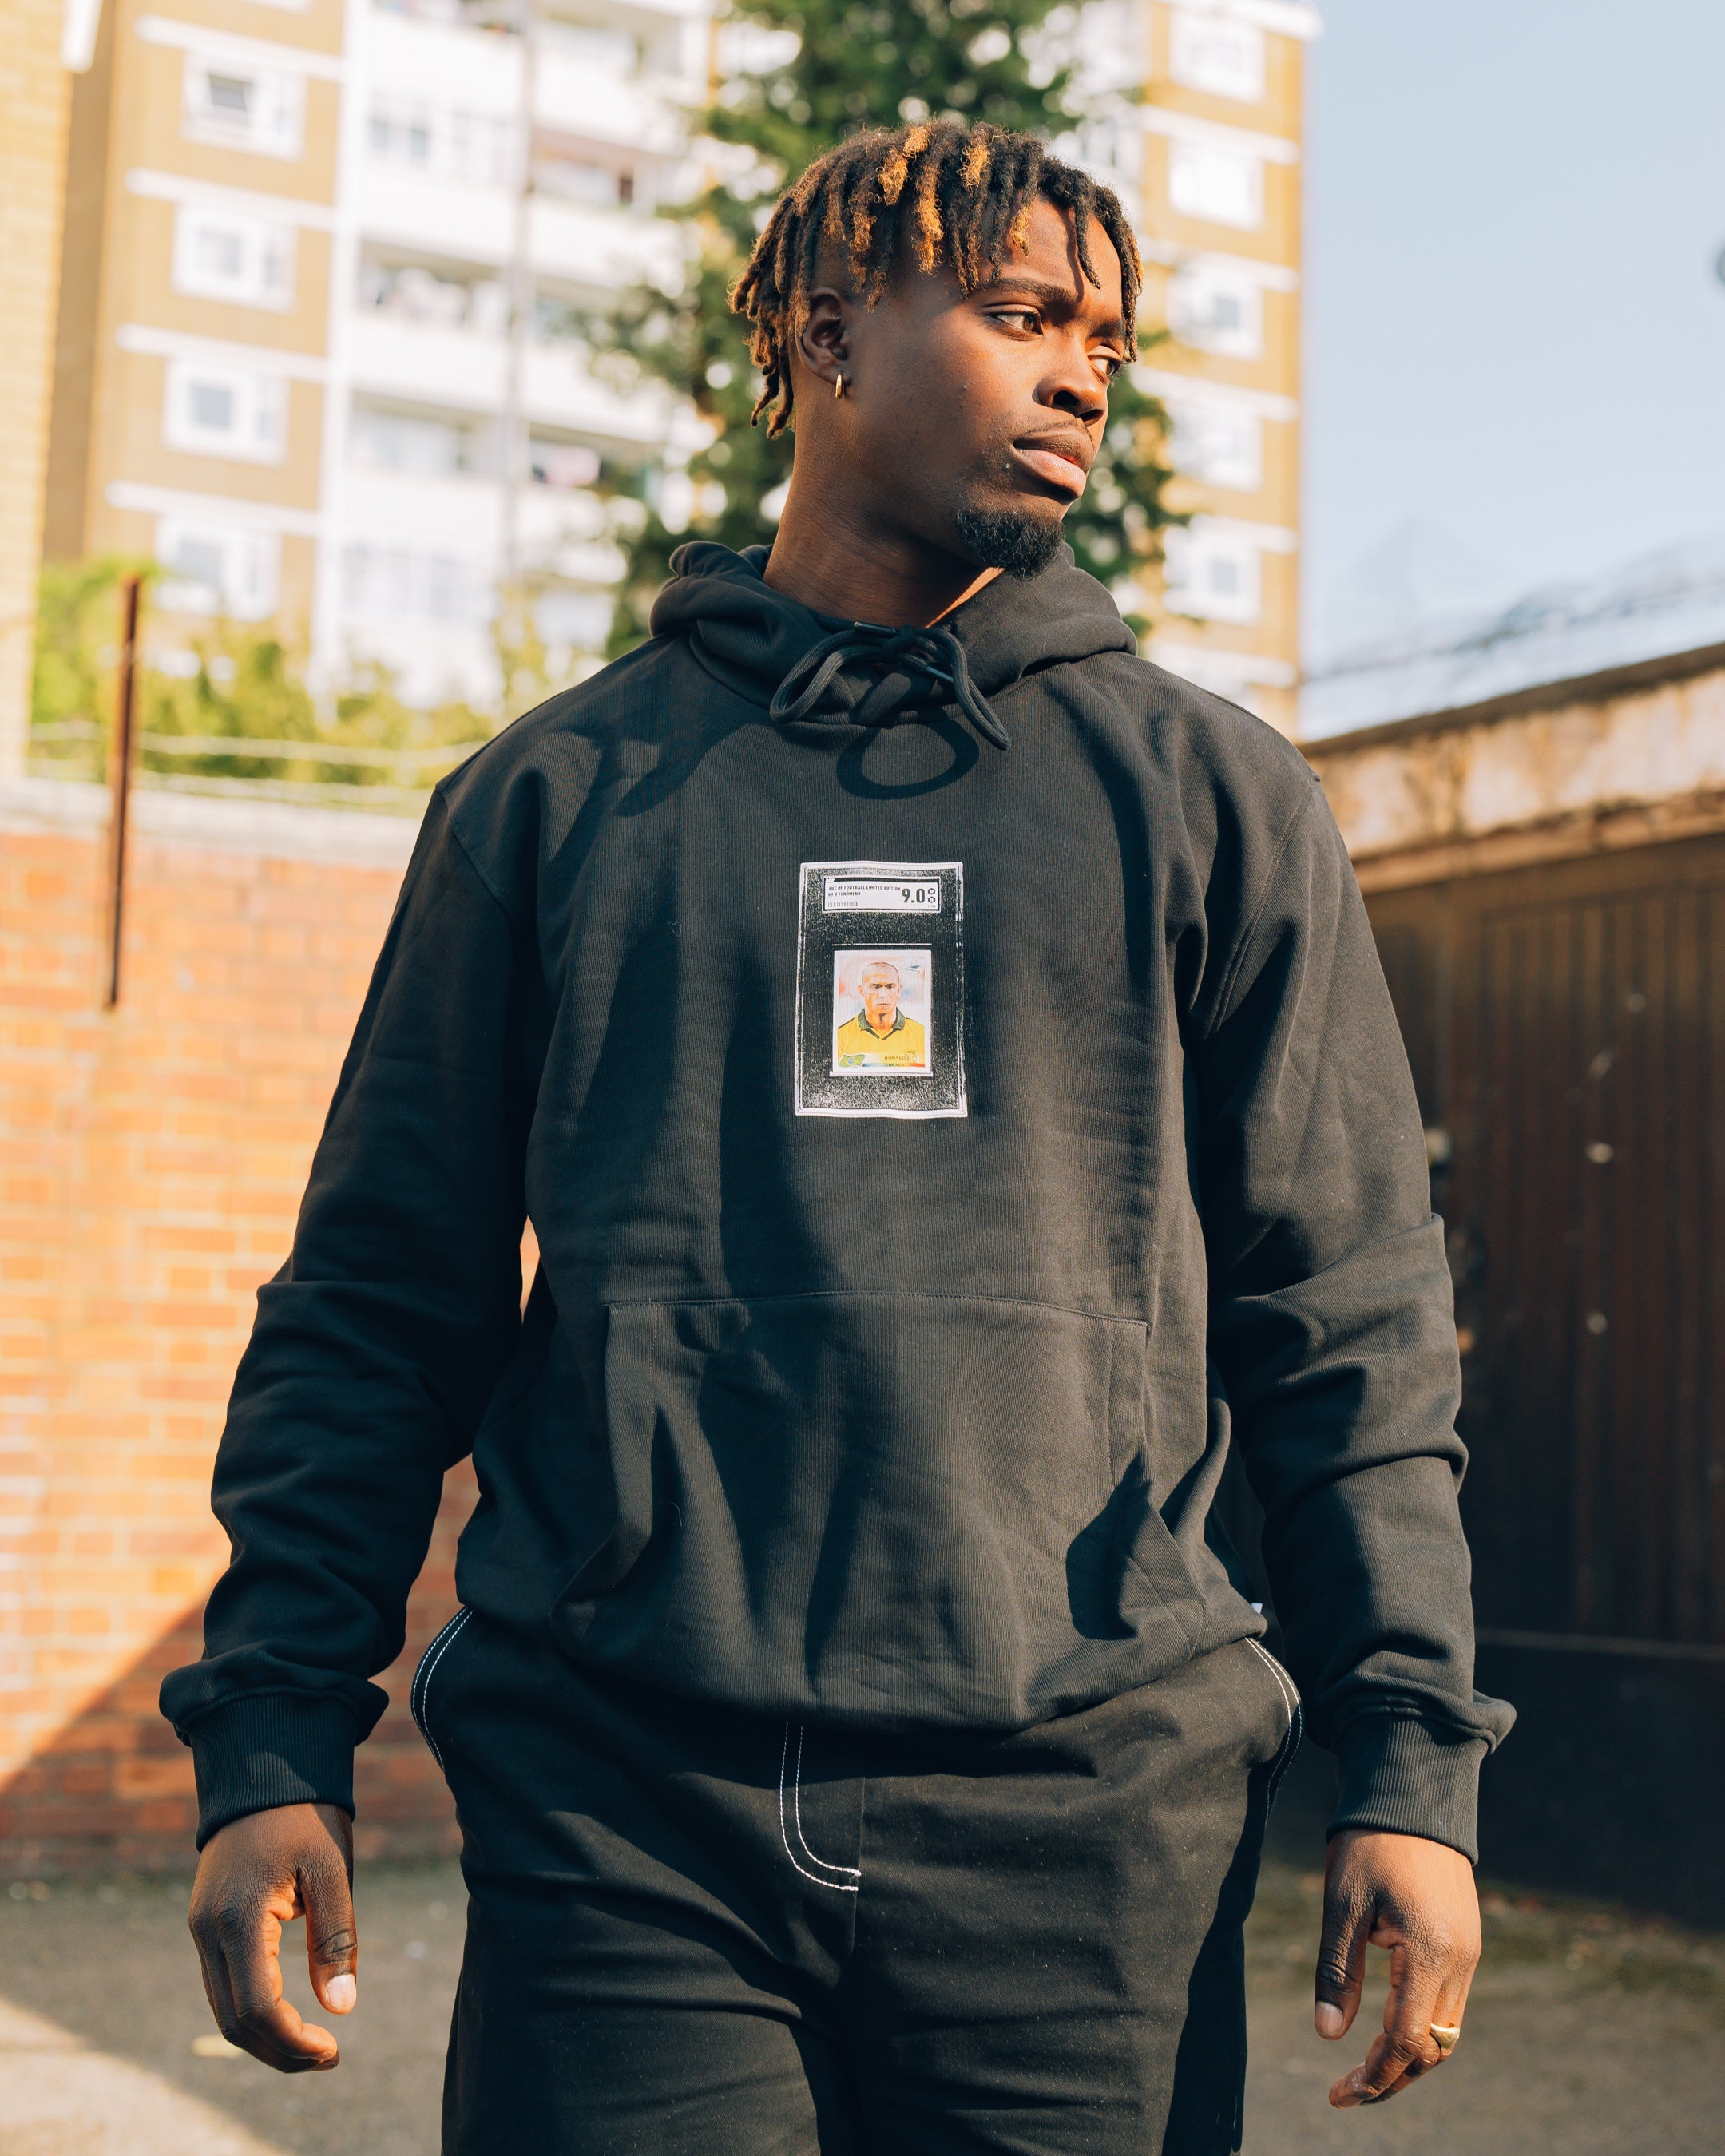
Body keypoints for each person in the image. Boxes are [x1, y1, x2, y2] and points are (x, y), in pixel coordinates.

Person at [165, 119, 1513, 2154]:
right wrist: (272, 1735)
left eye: (1106, 344)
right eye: (1022, 314)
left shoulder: (1215, 802)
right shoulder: (555, 800)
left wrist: (1411, 1762)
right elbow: (377, 1299)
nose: (1080, 376)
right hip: (626, 1824)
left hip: (1090, 1829)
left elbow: (1345, 1318)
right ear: (824, 331)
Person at [835, 958, 927, 1068]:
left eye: (890, 987)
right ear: (861, 990)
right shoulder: (840, 1037)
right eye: (875, 987)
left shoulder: (921, 1035)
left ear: (899, 990)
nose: (883, 994)